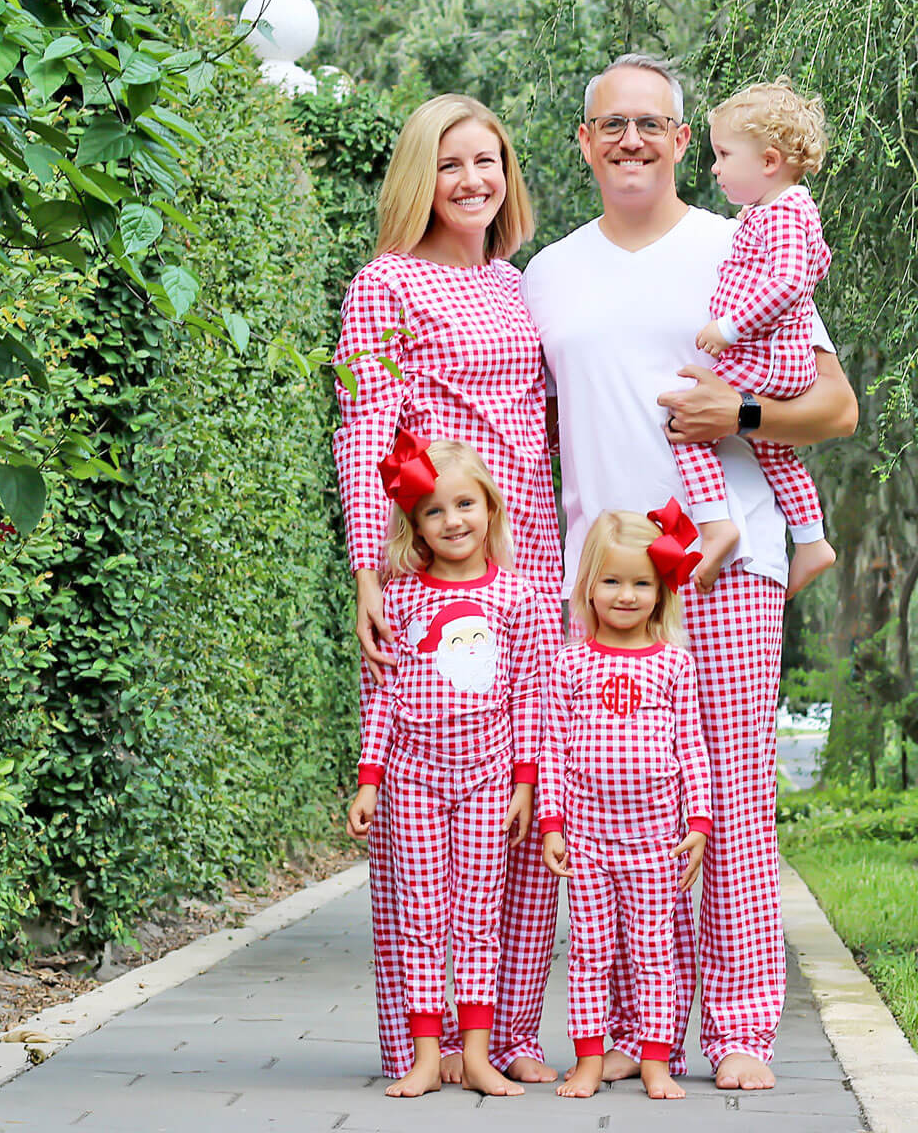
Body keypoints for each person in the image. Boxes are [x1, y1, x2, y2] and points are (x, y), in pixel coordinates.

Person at [522, 54, 857, 1090]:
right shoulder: (547, 274)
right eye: (609, 122)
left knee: (735, 804)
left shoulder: (744, 243)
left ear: (681, 142)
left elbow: (835, 408)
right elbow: (532, 436)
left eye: (652, 123)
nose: (631, 139)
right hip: (610, 586)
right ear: (583, 141)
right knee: (623, 810)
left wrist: (741, 416)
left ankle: (745, 1029)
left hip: (729, 560)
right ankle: (630, 1030)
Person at [333, 95, 562, 1083]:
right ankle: (417, 1045)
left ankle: (502, 1039)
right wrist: (367, 570)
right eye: (453, 163)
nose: (474, 180)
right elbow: (361, 429)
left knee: (522, 796)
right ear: (419, 176)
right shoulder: (385, 285)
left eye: (490, 162)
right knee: (430, 811)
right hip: (441, 576)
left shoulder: (516, 286)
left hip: (534, 563)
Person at [347, 438, 547, 1098]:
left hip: (489, 779)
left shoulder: (519, 598)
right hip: (412, 780)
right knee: (420, 914)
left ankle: (480, 1054)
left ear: (490, 506)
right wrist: (369, 781)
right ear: (415, 525)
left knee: (479, 915)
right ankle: (428, 1057)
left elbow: (528, 697)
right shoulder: (400, 600)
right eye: (434, 511)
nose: (453, 520)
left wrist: (524, 785)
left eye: (465, 504)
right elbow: (383, 698)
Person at [540, 504, 712, 1101]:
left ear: (661, 591)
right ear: (588, 586)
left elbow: (690, 745)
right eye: (611, 580)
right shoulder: (569, 664)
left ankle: (655, 1058)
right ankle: (589, 1057)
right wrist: (553, 825)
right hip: (587, 841)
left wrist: (698, 821)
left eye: (641, 583)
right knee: (590, 952)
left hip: (655, 842)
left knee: (653, 955)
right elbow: (554, 748)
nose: (625, 595)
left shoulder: (673, 665)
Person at [674, 78, 837, 599]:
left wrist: (728, 329)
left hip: (768, 359)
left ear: (768, 161)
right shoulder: (776, 211)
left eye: (723, 155)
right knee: (772, 450)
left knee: (686, 414)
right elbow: (818, 261)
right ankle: (812, 541)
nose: (715, 168)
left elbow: (790, 282)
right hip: (774, 358)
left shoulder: (785, 211)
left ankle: (716, 524)